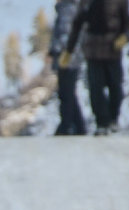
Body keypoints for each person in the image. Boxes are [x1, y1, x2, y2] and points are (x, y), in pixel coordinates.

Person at [61, 0, 129, 135]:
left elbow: (128, 25)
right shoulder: (86, 2)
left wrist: (124, 37)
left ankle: (113, 119)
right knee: (95, 89)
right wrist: (69, 50)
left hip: (113, 51)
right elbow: (77, 25)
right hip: (92, 51)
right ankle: (102, 123)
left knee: (115, 87)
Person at [48, 0, 87, 135]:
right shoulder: (69, 8)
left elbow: (66, 33)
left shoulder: (66, 9)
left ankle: (66, 125)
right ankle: (79, 127)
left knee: (66, 93)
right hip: (71, 57)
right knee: (69, 93)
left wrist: (59, 52)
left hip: (67, 59)